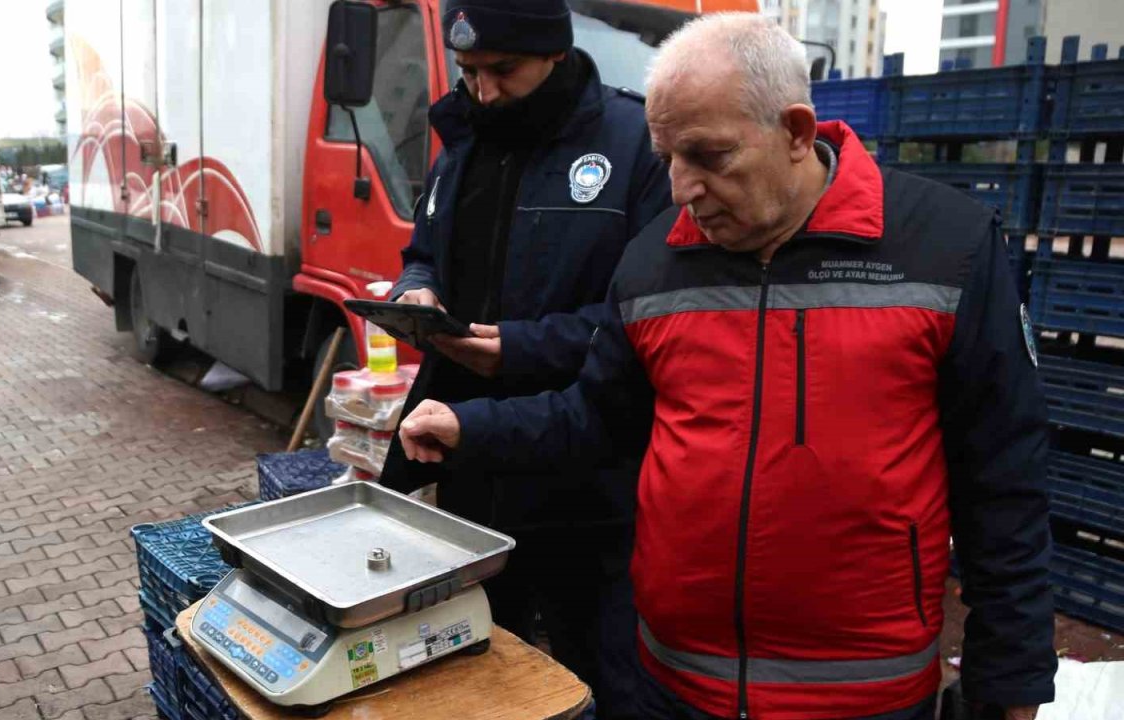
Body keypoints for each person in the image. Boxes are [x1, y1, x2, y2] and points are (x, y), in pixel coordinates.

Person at [398, 13, 1056, 720]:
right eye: (668, 158)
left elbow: (1004, 480)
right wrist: (471, 426)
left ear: (797, 132)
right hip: (674, 687)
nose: (682, 188)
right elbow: (598, 418)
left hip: (862, 697)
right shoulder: (655, 261)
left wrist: (1009, 683)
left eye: (708, 157)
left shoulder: (944, 248)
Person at [379, 1, 672, 716]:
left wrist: (520, 349)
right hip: (475, 465)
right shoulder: (462, 146)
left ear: (555, 53)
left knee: (601, 681)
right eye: (469, 72)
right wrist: (415, 293)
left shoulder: (637, 147)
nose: (482, 91)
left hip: (590, 484)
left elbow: (650, 321)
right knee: (485, 674)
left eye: (501, 70)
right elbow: (422, 254)